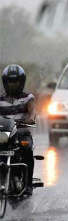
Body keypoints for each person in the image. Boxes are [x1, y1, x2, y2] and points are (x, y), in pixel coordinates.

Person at [0, 64, 36, 195]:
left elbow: (32, 113)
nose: (13, 85)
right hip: (4, 133)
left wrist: (30, 119)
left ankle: (28, 184)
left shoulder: (28, 98)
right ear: (5, 82)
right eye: (10, 81)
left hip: (21, 132)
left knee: (26, 148)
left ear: (22, 82)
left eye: (16, 81)